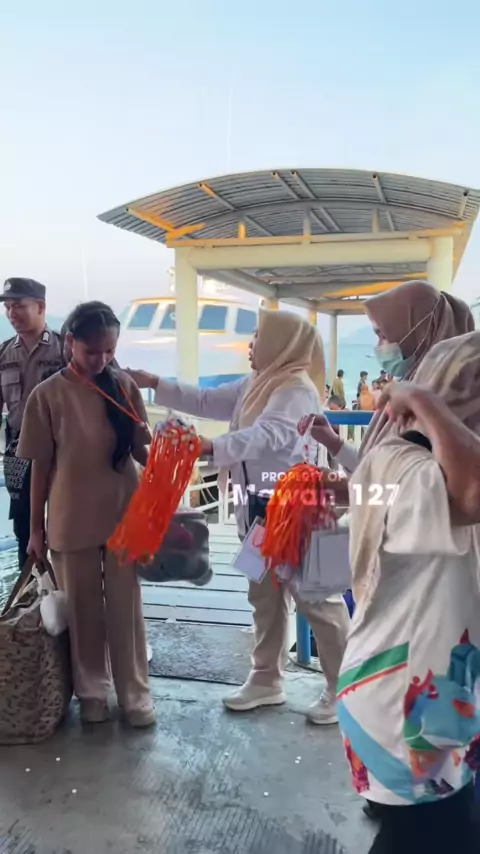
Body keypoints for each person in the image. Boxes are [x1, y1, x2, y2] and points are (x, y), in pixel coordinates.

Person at [127, 308, 350, 724]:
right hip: (259, 513)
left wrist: (212, 447)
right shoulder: (257, 382)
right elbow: (206, 400)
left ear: (281, 343)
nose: (251, 344)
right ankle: (266, 679)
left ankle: (345, 690)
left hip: (304, 512)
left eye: (258, 336)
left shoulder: (296, 389)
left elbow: (271, 434)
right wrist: (155, 382)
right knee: (264, 598)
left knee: (321, 602)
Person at [339, 331, 480, 853]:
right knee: (426, 837)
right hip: (406, 703)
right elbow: (475, 491)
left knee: (441, 830)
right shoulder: (407, 466)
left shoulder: (421, 463)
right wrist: (422, 400)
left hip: (427, 694)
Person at [17, 301, 155, 727]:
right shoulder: (47, 395)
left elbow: (142, 451)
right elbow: (40, 467)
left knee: (126, 610)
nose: (101, 359)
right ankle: (92, 691)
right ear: (70, 343)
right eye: (92, 351)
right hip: (70, 516)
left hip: (124, 514)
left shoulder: (124, 386)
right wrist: (36, 530)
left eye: (109, 351)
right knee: (82, 610)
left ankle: (134, 694)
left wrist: (167, 457)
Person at [303, 280, 474, 483]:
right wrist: (334, 442)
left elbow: (411, 489)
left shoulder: (436, 402)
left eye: (383, 336)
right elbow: (378, 470)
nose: (379, 346)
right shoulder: (412, 388)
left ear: (421, 333)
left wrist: (345, 489)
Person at [0, 278, 64, 570]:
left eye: (19, 306)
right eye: (7, 307)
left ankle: (70, 587)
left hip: (62, 450)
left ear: (40, 307)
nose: (12, 313)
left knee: (68, 519)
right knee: (24, 528)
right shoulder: (3, 354)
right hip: (17, 451)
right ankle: (31, 592)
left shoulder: (65, 349)